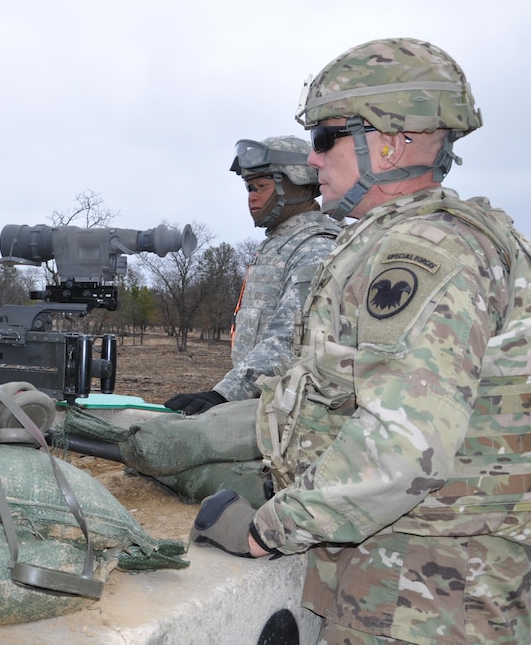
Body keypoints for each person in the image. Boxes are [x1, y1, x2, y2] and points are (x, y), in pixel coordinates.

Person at [190, 38, 531, 644]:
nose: (312, 160)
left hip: (426, 600)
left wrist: (266, 530)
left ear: (392, 142)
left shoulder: (423, 253)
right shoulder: (429, 236)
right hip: (424, 581)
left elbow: (402, 447)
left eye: (325, 139)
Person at [164, 135, 340, 415]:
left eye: (261, 186)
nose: (252, 197)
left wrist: (224, 394)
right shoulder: (279, 244)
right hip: (266, 406)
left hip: (298, 414)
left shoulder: (315, 247)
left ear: (296, 183)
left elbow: (291, 339)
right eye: (249, 188)